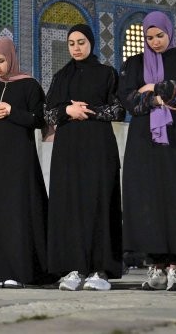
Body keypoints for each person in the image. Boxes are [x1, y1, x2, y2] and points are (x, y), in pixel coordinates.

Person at [119, 11, 176, 291]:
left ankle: (175, 267)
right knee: (147, 196)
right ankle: (156, 267)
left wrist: (151, 90)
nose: (155, 41)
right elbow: (129, 101)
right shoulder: (132, 64)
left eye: (160, 35)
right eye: (149, 37)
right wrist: (161, 95)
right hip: (142, 139)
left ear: (170, 33)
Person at [45, 23, 124, 292]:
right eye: (71, 43)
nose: (76, 48)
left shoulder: (107, 73)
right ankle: (74, 269)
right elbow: (48, 113)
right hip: (68, 150)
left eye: (81, 42)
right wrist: (68, 110)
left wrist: (85, 111)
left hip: (98, 147)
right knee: (70, 205)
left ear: (91, 43)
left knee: (99, 202)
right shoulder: (60, 77)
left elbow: (117, 109)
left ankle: (99, 270)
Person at [0, 37, 48, 288]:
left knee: (17, 212)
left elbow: (39, 119)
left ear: (11, 58)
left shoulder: (29, 86)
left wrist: (11, 111)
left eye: (1, 61)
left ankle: (18, 271)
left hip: (19, 159)